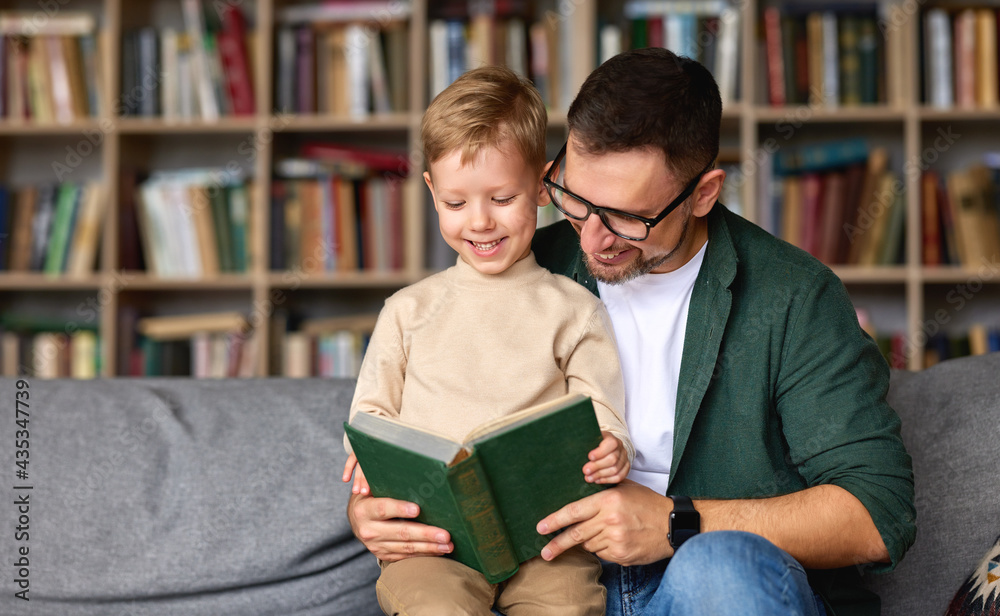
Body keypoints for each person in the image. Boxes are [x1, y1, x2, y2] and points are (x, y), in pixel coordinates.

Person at [527, 48, 916, 616]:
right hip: (559, 585)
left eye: (628, 219)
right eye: (576, 201)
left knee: (718, 567)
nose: (591, 241)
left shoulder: (794, 295)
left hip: (714, 586)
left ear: (704, 193)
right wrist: (390, 505)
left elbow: (878, 512)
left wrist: (677, 523)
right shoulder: (528, 267)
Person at [342, 65, 633, 616]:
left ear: (544, 185)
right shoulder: (407, 311)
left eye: (502, 198)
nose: (479, 222)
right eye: (456, 203)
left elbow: (601, 411)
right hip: (433, 539)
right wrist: (364, 459)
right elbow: (370, 417)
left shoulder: (576, 310)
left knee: (569, 608)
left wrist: (613, 449)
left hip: (548, 538)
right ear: (430, 188)